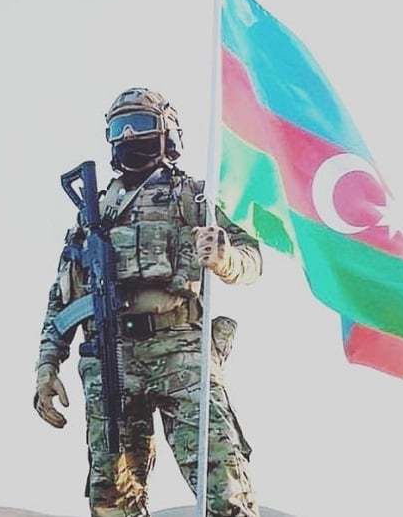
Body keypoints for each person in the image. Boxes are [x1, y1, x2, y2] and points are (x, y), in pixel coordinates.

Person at [34, 88, 262, 517]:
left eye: (139, 125)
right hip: (111, 358)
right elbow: (62, 297)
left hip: (180, 352)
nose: (128, 136)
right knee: (113, 498)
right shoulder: (94, 213)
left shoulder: (193, 197)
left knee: (223, 485)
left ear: (166, 133)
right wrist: (47, 367)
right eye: (118, 129)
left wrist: (224, 257)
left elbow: (252, 259)